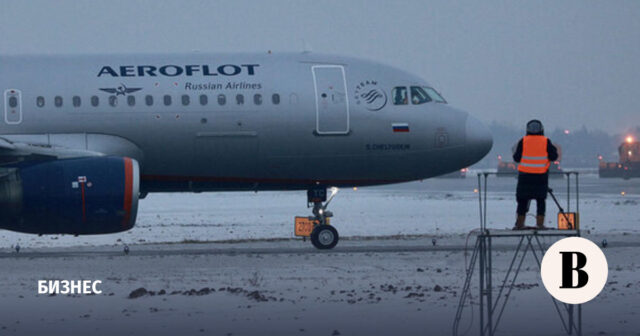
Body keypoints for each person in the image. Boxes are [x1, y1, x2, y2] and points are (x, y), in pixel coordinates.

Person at [512, 120, 558, 230]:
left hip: (524, 177)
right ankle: (540, 224)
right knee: (541, 201)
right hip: (540, 177)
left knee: (522, 201)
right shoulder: (546, 141)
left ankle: (519, 223)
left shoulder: (523, 141)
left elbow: (516, 158)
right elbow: (554, 157)